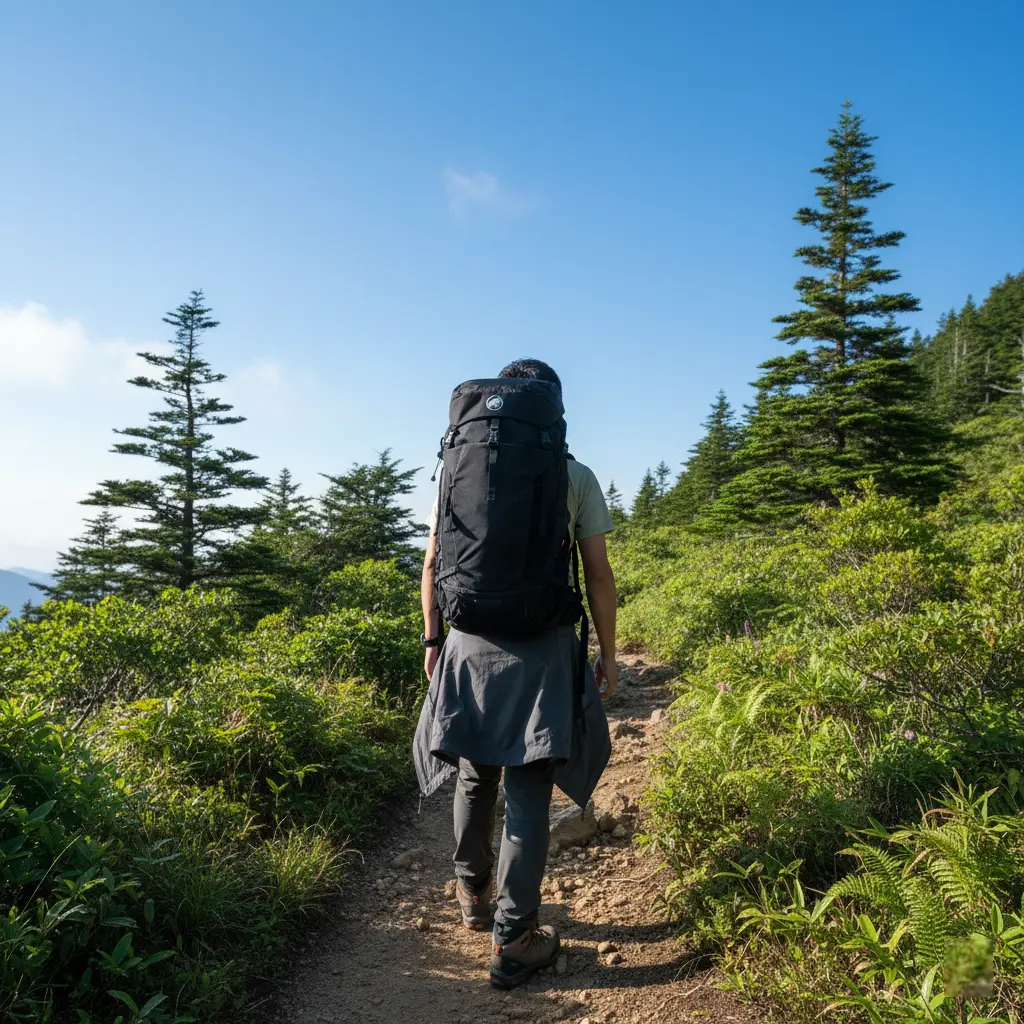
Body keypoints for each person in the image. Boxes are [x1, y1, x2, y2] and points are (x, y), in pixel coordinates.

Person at [413, 358, 618, 989]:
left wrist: (433, 641)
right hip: (544, 646)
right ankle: (516, 938)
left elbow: (431, 565)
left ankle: (473, 897)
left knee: (476, 773)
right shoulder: (574, 476)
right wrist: (608, 656)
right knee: (529, 788)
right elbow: (598, 575)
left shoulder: (456, 469)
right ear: (552, 411)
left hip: (469, 643)